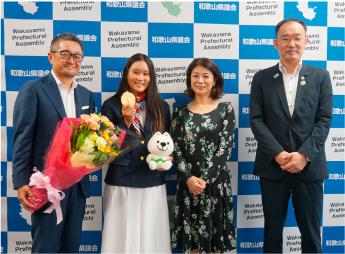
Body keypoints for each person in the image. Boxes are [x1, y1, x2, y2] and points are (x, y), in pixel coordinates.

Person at [250, 18, 332, 254]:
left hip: (310, 168)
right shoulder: (261, 78)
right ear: (275, 43)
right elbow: (256, 120)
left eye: (297, 38)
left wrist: (304, 155)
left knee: (311, 234)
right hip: (273, 168)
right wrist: (277, 153)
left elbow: (324, 120)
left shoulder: (321, 76)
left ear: (306, 41)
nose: (291, 43)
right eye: (285, 38)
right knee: (272, 233)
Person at [12, 33, 95, 254]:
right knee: (45, 247)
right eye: (65, 54)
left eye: (77, 56)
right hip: (45, 184)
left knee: (71, 247)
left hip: (77, 187)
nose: (72, 60)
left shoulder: (87, 95)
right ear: (51, 56)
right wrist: (21, 182)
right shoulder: (33, 89)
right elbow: (22, 138)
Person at [100, 53, 171, 254]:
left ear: (152, 77)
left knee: (151, 233)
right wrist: (127, 122)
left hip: (152, 178)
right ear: (126, 74)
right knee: (120, 235)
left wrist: (166, 159)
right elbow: (106, 149)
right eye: (135, 72)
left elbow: (168, 142)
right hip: (121, 180)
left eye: (145, 74)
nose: (140, 78)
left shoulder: (161, 106)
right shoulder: (111, 105)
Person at [171, 58, 237, 254]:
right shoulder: (179, 112)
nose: (200, 80)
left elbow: (225, 148)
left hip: (215, 184)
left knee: (214, 244)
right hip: (188, 184)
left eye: (206, 76)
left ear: (215, 80)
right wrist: (190, 179)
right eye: (195, 76)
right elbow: (175, 148)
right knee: (192, 245)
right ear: (189, 80)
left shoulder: (226, 110)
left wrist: (204, 180)